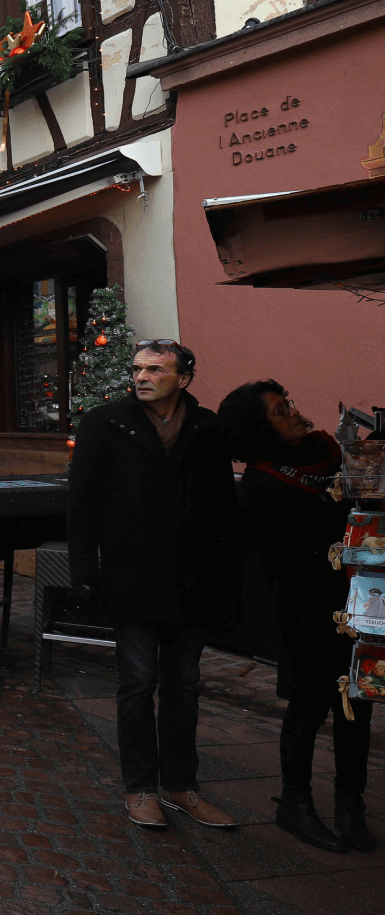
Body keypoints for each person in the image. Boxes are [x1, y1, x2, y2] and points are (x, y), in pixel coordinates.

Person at [69, 339, 239, 831]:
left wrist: (226, 579)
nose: (142, 377)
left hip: (192, 579)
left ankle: (183, 787)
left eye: (155, 370)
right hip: (131, 577)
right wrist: (85, 572)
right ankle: (140, 788)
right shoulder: (105, 422)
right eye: (139, 369)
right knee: (138, 684)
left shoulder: (207, 427)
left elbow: (221, 506)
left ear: (183, 378)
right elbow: (82, 503)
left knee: (185, 686)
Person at [220, 380, 373, 853]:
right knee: (308, 705)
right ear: (259, 428)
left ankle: (351, 803)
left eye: (289, 405)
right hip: (304, 607)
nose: (294, 414)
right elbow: (303, 541)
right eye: (280, 411)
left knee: (357, 701)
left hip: (356, 600)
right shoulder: (264, 480)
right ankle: (295, 802)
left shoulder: (330, 450)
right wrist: (341, 498)